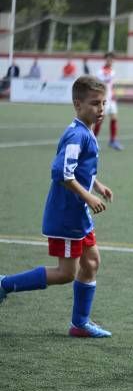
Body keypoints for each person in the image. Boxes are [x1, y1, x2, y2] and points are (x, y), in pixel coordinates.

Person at [0, 75, 115, 338]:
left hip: (79, 215)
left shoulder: (84, 132)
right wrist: (88, 196)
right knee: (66, 273)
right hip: (67, 216)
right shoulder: (76, 134)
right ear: (77, 104)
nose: (101, 109)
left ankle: (80, 324)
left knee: (92, 263)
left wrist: (97, 185)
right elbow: (61, 172)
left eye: (103, 103)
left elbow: (79, 168)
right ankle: (4, 283)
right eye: (95, 103)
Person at [94, 52, 123, 150]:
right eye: (109, 59)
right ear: (105, 59)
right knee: (100, 120)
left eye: (112, 59)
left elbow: (111, 85)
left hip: (111, 99)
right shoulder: (100, 72)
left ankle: (113, 140)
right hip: (103, 99)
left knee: (114, 118)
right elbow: (100, 85)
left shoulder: (113, 71)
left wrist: (114, 94)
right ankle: (93, 141)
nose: (110, 61)